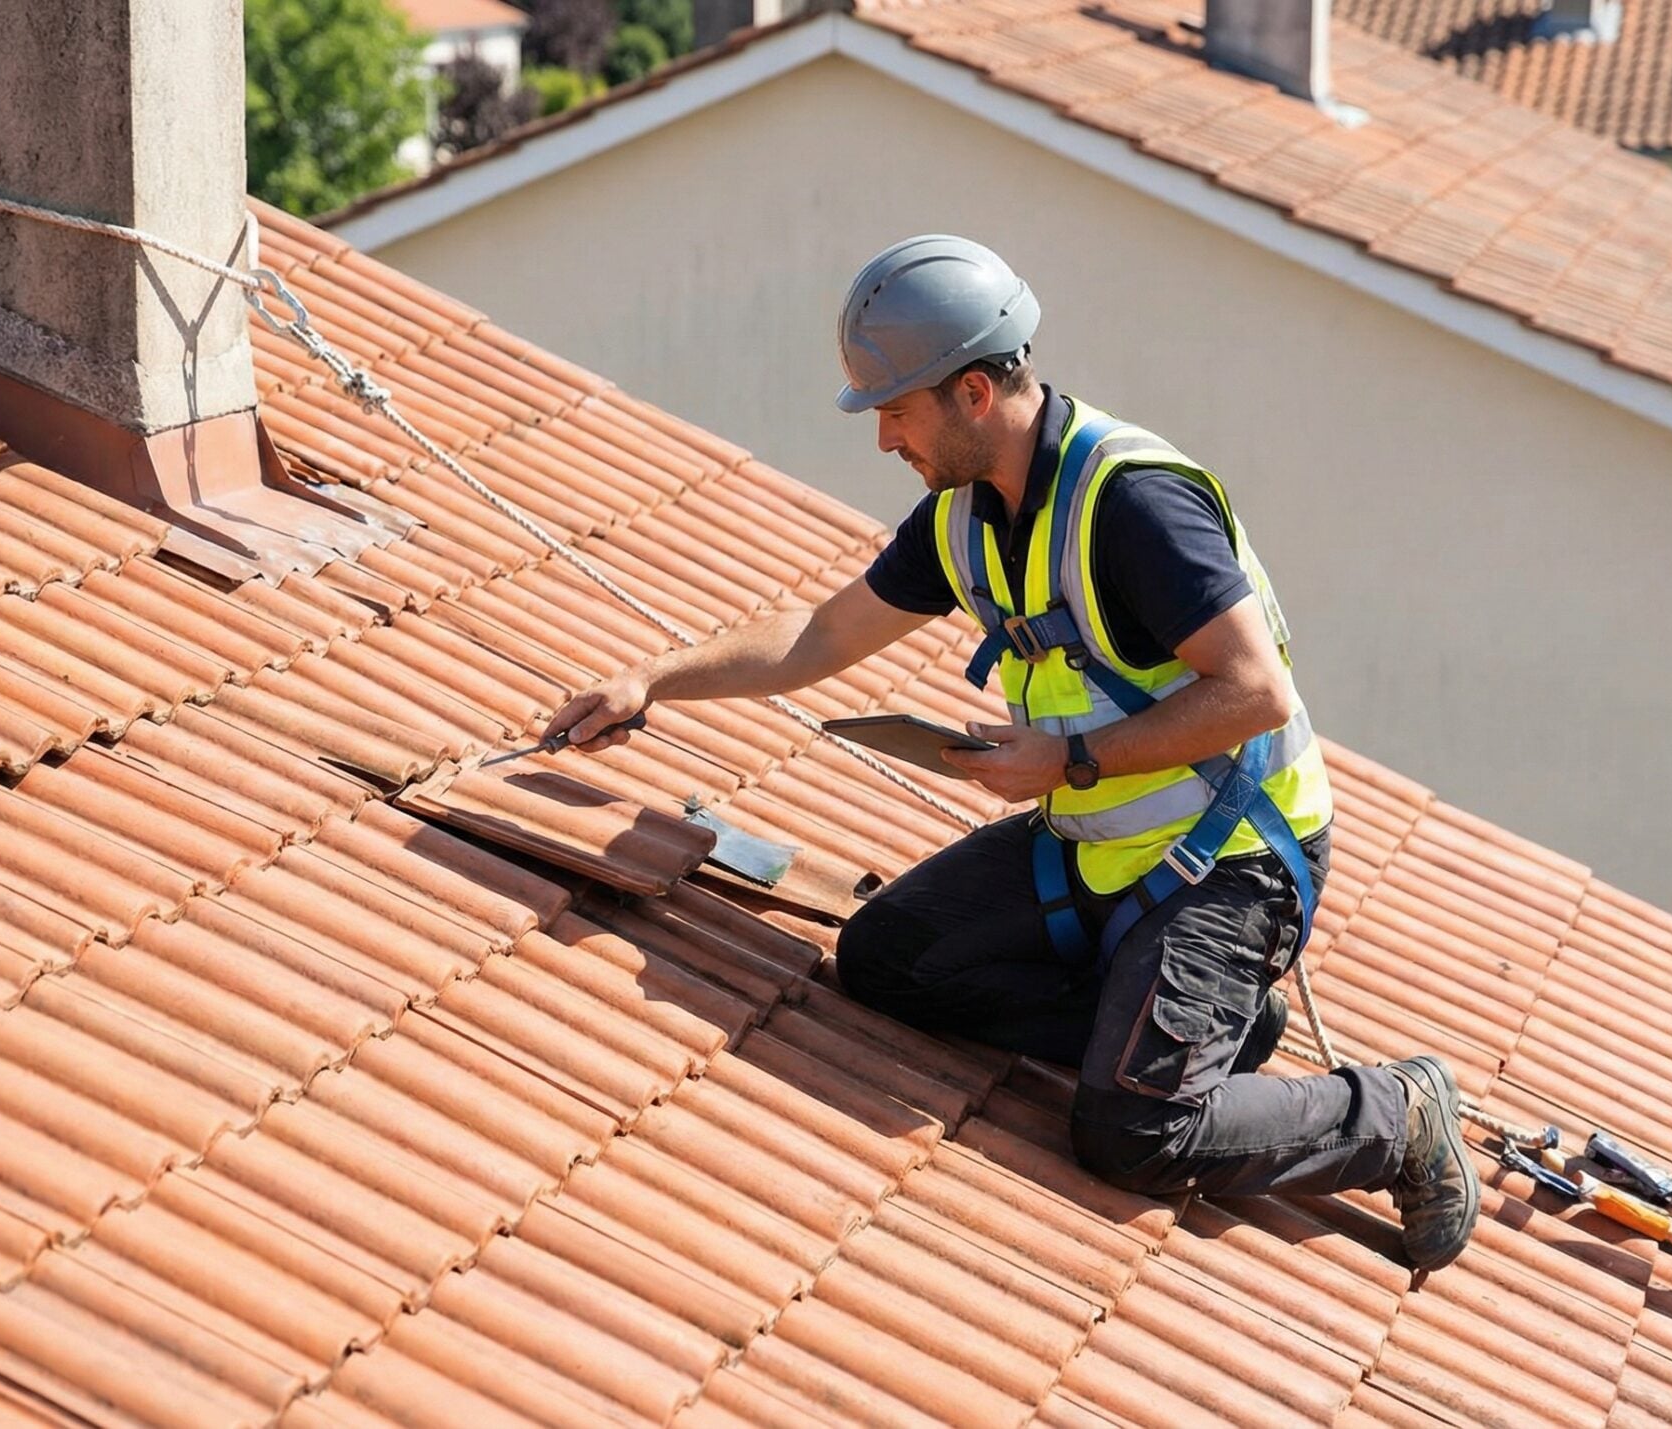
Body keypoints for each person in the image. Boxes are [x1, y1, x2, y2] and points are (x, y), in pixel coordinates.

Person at [543, 235, 1478, 1269]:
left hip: (1233, 865)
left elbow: (1256, 694)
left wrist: (1070, 763)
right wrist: (652, 679)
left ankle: (1396, 1114)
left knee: (1131, 1132)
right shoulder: (963, 518)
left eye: (895, 410)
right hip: (1093, 841)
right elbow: (821, 636)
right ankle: (1187, 1032)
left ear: (974, 392)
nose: (884, 437)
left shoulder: (1133, 504)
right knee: (886, 960)